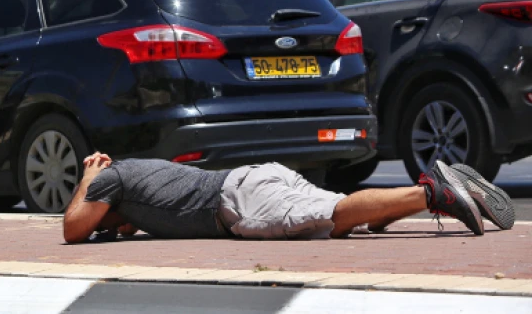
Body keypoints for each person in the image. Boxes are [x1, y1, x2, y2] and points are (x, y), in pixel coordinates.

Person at [63, 153, 514, 244]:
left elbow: (73, 229)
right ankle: (398, 206)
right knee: (338, 212)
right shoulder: (141, 178)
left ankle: (433, 192)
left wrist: (86, 177)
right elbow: (122, 224)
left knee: (332, 217)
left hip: (237, 200)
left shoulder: (108, 178)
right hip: (256, 176)